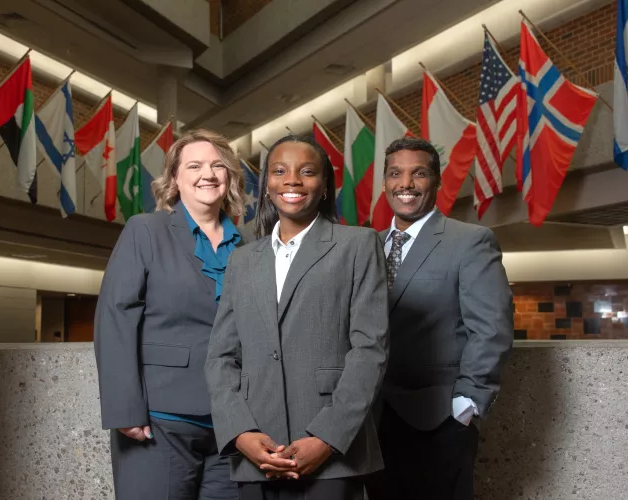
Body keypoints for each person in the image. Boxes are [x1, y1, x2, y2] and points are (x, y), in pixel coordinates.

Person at [205, 135, 389, 500]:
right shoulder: (242, 260)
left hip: (332, 450)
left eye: (307, 172)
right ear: (267, 187)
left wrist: (328, 437)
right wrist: (240, 432)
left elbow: (370, 351)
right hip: (258, 448)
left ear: (323, 187)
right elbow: (221, 357)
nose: (292, 180)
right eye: (279, 171)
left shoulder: (359, 245)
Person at [94, 129, 247, 500]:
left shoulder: (251, 245)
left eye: (217, 165)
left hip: (235, 423)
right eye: (194, 165)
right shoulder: (145, 230)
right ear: (175, 178)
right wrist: (124, 408)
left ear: (229, 177)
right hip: (161, 418)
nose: (207, 174)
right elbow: (115, 317)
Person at [364, 137, 514, 500]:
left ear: (437, 181)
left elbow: (492, 328)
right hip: (371, 419)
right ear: (384, 183)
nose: (406, 184)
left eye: (419, 174)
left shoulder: (470, 241)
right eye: (396, 174)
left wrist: (467, 404)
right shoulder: (367, 245)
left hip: (438, 419)